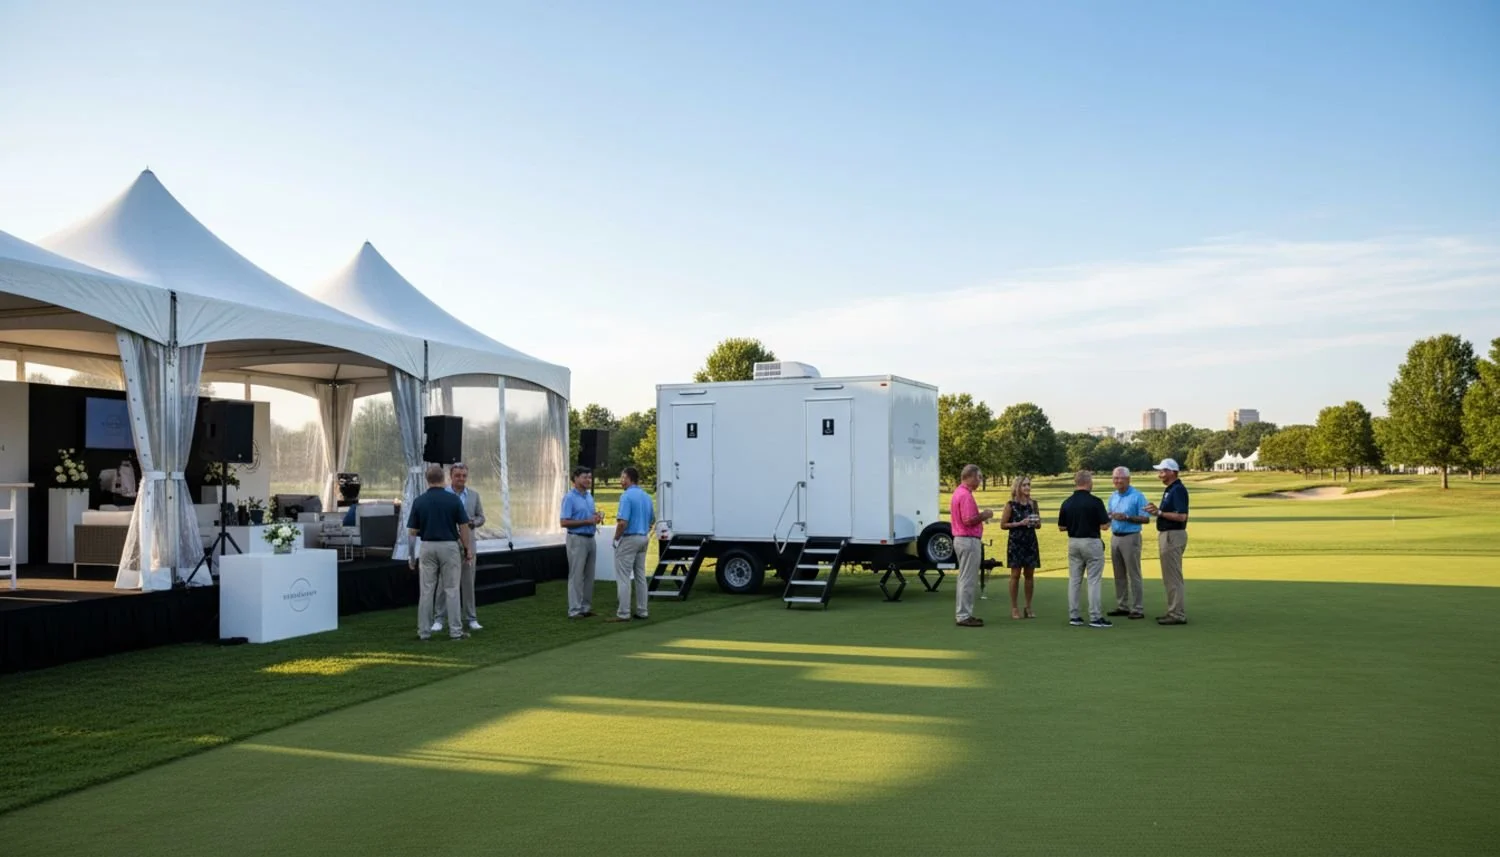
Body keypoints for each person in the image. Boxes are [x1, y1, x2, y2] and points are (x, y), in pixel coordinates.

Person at [405, 464, 470, 641]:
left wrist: (411, 556)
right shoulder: (453, 500)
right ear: (444, 479)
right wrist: (467, 549)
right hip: (449, 546)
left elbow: (412, 532)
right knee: (452, 590)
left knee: (426, 591)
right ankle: (455, 631)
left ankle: (424, 632)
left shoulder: (419, 501)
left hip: (427, 546)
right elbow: (463, 527)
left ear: (427, 480)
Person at [432, 463, 485, 633]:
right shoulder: (443, 495)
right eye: (458, 475)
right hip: (447, 544)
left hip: (469, 543)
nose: (461, 479)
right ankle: (439, 618)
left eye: (464, 476)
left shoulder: (474, 496)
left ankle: (471, 618)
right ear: (450, 476)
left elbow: (481, 517)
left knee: (468, 583)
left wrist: (473, 522)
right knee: (443, 583)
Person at [1057, 470, 1112, 628]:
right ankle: (1095, 616)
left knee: (1074, 580)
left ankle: (1074, 615)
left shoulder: (1067, 502)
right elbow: (1105, 526)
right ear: (1088, 482)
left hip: (1073, 542)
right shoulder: (1095, 502)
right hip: (1091, 541)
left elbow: (1062, 527)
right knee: (1094, 580)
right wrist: (1110, 519)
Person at [1145, 458, 1190, 625]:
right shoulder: (1171, 489)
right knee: (1169, 576)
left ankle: (1177, 614)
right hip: (1168, 534)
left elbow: (1181, 516)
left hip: (1173, 534)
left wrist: (1159, 512)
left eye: (1163, 471)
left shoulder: (1177, 490)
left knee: (1173, 576)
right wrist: (1158, 511)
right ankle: (1173, 610)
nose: (1160, 474)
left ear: (1172, 472)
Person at [608, 466, 654, 623]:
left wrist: (616, 538)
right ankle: (642, 610)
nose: (621, 481)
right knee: (640, 575)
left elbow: (622, 523)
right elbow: (651, 520)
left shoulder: (626, 496)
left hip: (629, 539)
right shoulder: (646, 496)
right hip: (643, 537)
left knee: (623, 576)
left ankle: (623, 612)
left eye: (622, 478)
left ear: (629, 479)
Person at [949, 464, 992, 628]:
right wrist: (984, 515)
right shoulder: (965, 495)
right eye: (979, 477)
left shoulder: (958, 493)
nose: (980, 481)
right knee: (968, 579)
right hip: (967, 540)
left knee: (964, 578)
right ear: (970, 477)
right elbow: (968, 519)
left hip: (961, 539)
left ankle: (963, 613)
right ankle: (964, 615)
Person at [1106, 466, 1151, 620]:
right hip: (1115, 536)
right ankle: (1122, 605)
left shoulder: (1137, 496)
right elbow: (1108, 516)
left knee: (1134, 574)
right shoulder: (1113, 496)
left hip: (1131, 537)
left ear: (1128, 479)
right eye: (1115, 478)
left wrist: (1126, 517)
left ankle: (1137, 608)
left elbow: (1145, 518)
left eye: (1120, 478)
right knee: (1118, 574)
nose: (1117, 481)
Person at [560, 466, 603, 619]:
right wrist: (586, 521)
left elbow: (590, 517)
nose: (588, 480)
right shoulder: (570, 497)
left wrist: (596, 517)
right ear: (576, 478)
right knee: (576, 575)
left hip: (591, 538)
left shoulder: (589, 497)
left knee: (589, 575)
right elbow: (563, 522)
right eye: (585, 477)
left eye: (590, 478)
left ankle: (585, 608)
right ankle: (574, 610)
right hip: (576, 539)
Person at [999, 476, 1042, 620]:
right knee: (1015, 575)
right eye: (1024, 485)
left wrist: (1035, 522)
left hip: (1030, 541)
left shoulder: (1033, 504)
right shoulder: (1010, 505)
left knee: (1029, 575)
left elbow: (1039, 523)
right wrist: (1019, 523)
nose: (1027, 487)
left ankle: (1028, 606)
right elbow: (1003, 525)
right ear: (1018, 487)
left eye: (1029, 485)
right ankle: (1014, 607)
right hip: (1016, 542)